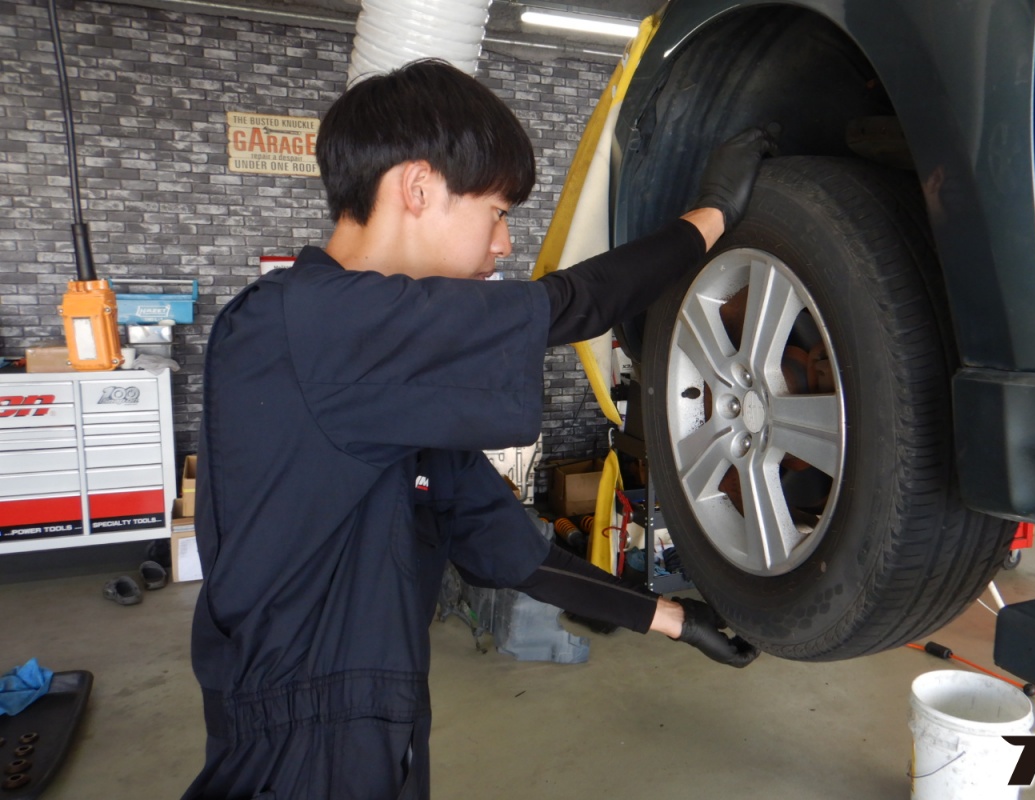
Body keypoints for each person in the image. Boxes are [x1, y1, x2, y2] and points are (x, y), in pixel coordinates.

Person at [182, 58, 774, 800]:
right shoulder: (293, 324)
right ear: (418, 188)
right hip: (294, 757)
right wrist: (709, 217)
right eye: (496, 212)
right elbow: (570, 304)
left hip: (375, 731)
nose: (504, 244)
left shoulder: (388, 387)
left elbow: (501, 543)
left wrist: (673, 619)